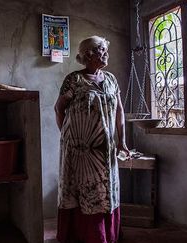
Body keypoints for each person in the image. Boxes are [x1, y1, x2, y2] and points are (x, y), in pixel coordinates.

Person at [54, 36, 130, 243]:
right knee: (84, 189)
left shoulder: (111, 79)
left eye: (106, 50)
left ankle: (106, 235)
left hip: (105, 148)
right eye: (102, 51)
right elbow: (59, 109)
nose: (106, 55)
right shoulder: (74, 80)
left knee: (106, 189)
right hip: (79, 151)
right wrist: (68, 137)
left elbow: (119, 111)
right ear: (88, 55)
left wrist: (122, 140)